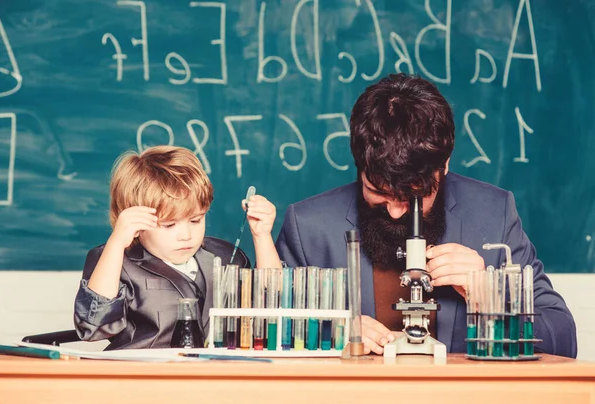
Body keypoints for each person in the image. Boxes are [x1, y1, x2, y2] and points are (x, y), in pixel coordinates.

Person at [276, 73, 577, 358]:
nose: (394, 212)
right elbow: (270, 338)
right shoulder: (308, 227)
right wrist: (332, 334)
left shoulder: (494, 214)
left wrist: (489, 295)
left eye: (411, 197)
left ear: (443, 165)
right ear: (359, 164)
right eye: (378, 192)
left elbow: (563, 339)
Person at [74, 145, 281, 350]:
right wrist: (117, 243)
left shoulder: (226, 256)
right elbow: (94, 327)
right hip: (143, 376)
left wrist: (262, 235)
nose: (186, 236)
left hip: (218, 375)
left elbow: (274, 306)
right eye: (169, 225)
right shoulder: (114, 259)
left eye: (195, 220)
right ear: (136, 222)